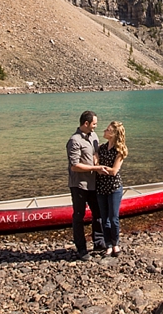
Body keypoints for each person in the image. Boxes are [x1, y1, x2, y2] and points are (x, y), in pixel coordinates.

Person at [67, 110, 107, 260]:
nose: (96, 126)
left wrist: (97, 160)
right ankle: (81, 249)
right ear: (86, 123)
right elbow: (74, 166)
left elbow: (95, 153)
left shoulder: (94, 136)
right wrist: (95, 168)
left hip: (93, 183)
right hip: (79, 185)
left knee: (98, 214)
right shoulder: (74, 140)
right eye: (94, 124)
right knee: (79, 216)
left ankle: (99, 242)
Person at [96, 120, 128, 256]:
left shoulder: (120, 150)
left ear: (113, 133)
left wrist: (100, 168)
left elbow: (114, 171)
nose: (104, 131)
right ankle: (108, 244)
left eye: (107, 129)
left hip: (114, 187)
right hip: (101, 187)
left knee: (113, 217)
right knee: (104, 218)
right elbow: (96, 164)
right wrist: (100, 168)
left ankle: (115, 244)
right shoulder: (101, 148)